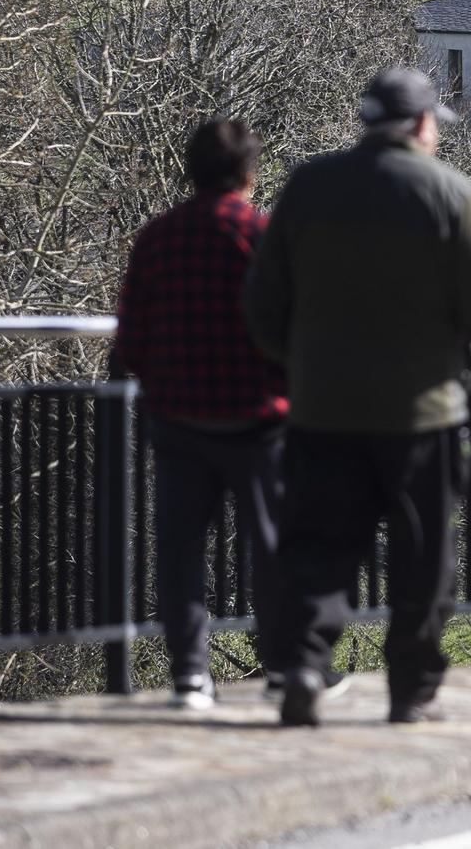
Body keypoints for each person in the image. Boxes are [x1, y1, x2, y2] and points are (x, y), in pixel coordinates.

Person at [246, 67, 471, 726]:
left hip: (321, 411)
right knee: (423, 556)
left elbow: (260, 307)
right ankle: (410, 689)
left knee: (319, 548)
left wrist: (303, 364)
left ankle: (306, 665)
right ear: (424, 125)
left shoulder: (310, 186)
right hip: (422, 413)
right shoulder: (450, 193)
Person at [112, 118, 305, 710]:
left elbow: (130, 341)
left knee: (180, 551)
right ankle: (280, 666)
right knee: (271, 547)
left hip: (179, 419)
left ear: (190, 170)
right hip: (258, 420)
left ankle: (190, 676)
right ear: (249, 174)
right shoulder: (264, 236)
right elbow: (293, 329)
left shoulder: (156, 239)